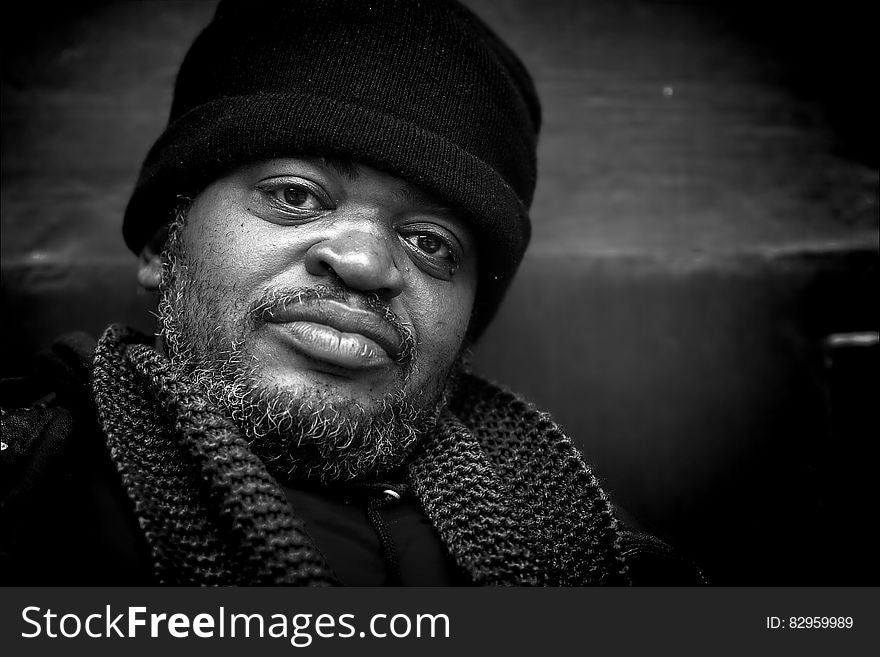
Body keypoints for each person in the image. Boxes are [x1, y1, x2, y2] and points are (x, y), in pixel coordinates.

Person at [0, 0, 702, 586]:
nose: (364, 262)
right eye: (296, 195)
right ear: (163, 244)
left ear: (466, 325)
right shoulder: (28, 490)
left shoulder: (610, 556)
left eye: (431, 241)